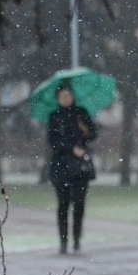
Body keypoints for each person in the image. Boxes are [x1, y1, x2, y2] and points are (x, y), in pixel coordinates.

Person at [47, 85, 97, 254]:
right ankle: (63, 240)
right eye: (62, 96)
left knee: (79, 205)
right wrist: (70, 148)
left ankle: (76, 240)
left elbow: (92, 134)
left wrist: (85, 132)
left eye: (68, 96)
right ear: (58, 98)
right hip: (61, 167)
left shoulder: (81, 113)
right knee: (63, 205)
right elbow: (53, 141)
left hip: (80, 167)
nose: (65, 99)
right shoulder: (54, 117)